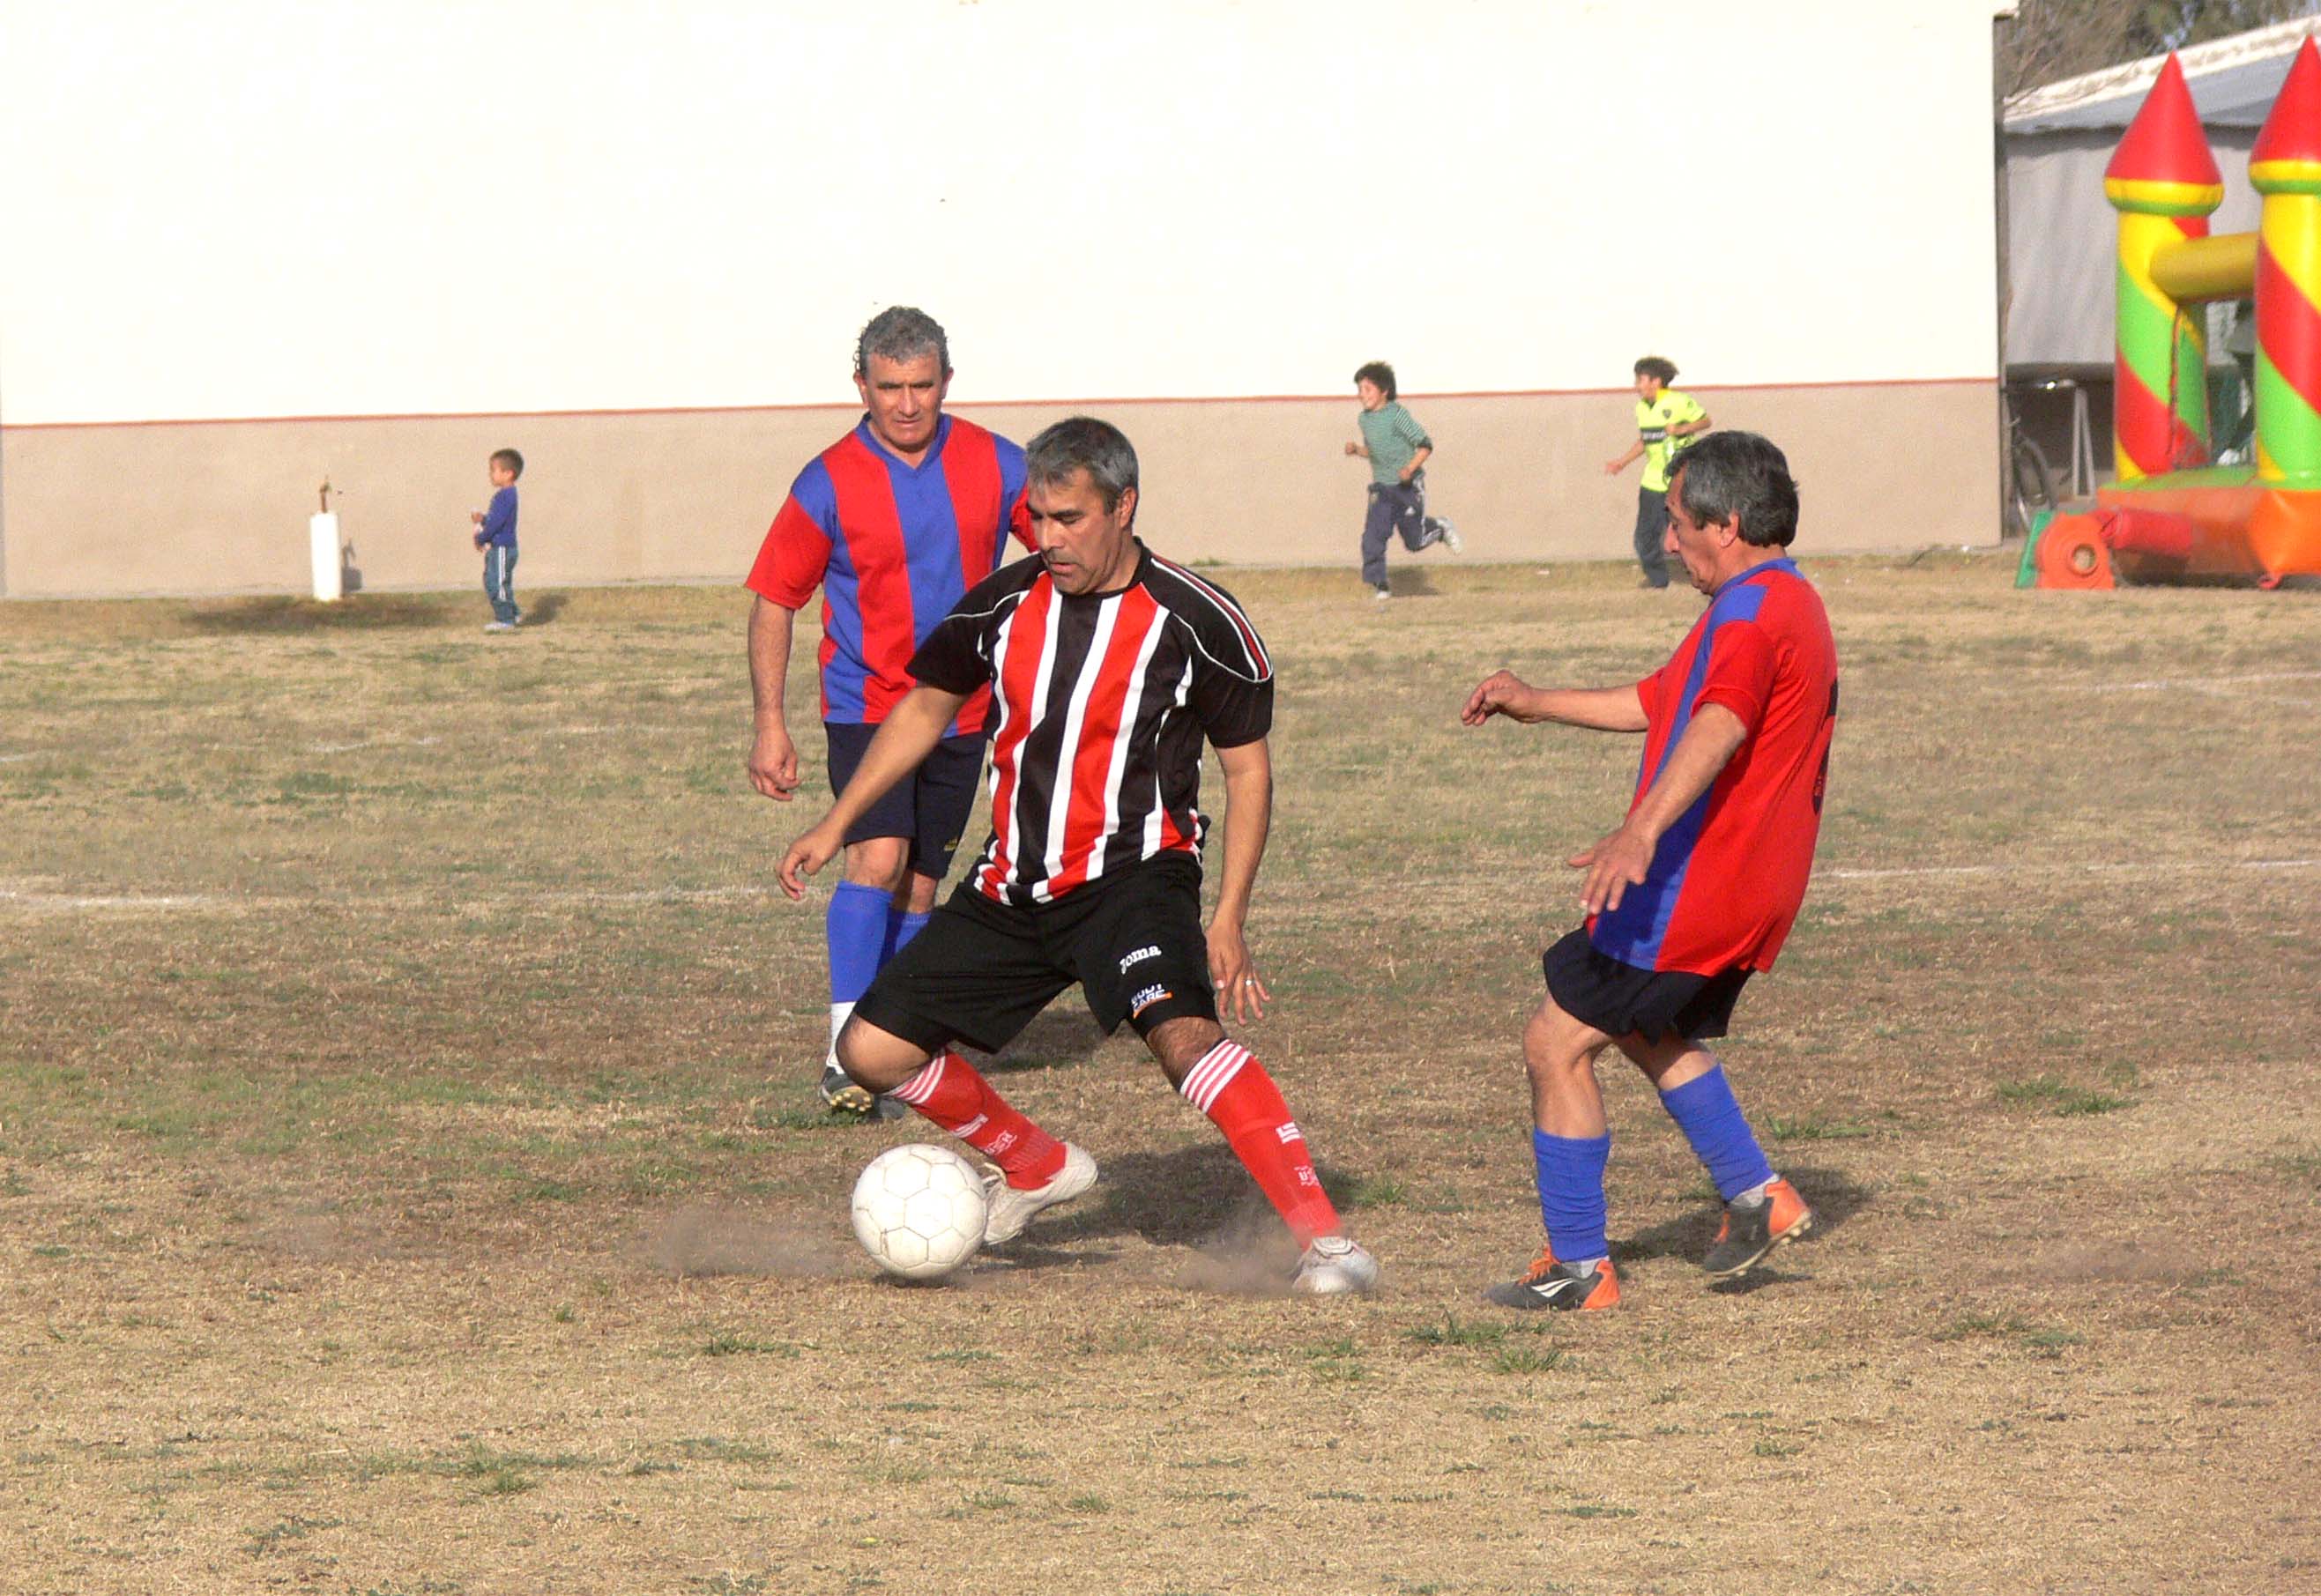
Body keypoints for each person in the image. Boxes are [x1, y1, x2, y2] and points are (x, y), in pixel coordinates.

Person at [779, 417, 1380, 1294]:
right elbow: (922, 707)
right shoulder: (1001, 603)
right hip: (1012, 886)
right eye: (1037, 518)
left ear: (1122, 506)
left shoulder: (1197, 620)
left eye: (1068, 518)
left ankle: (1328, 1245)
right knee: (868, 1051)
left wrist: (1229, 915)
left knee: (1182, 1038)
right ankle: (1032, 1164)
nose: (1047, 537)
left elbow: (1246, 770)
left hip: (1133, 880)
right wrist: (838, 822)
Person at [1462, 431, 1835, 1310]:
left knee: (1553, 1041)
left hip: (1692, 883)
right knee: (1639, 1026)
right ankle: (1755, 1192)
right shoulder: (1775, 600)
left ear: (1726, 522)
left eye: (1676, 524)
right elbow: (1656, 701)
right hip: (1733, 882)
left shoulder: (1749, 615)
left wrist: (1638, 830)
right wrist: (1533, 701)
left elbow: (1719, 723)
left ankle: (1579, 1267)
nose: (1667, 542)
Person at [745, 307, 1033, 1118]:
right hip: (865, 704)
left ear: (946, 381)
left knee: (919, 884)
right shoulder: (826, 480)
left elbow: (1062, 548)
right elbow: (775, 599)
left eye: (922, 386)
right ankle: (845, 1056)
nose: (906, 404)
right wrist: (771, 722)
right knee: (875, 858)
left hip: (966, 710)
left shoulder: (998, 463)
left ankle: (898, 1044)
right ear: (860, 386)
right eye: (889, 387)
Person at [1343, 360, 1460, 601]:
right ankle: (1380, 583)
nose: (1361, 395)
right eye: (1359, 390)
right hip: (1382, 489)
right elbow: (1377, 453)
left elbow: (1425, 445)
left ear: (1384, 390)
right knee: (1373, 536)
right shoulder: (1364, 420)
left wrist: (1410, 468)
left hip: (1407, 487)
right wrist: (1357, 450)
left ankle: (1440, 528)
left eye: (1367, 389)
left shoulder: (1398, 415)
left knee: (1414, 541)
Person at [1603, 356, 1711, 589]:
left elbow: (1705, 421)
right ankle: (1658, 579)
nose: (1636, 385)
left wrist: (1681, 429)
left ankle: (1705, 573)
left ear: (1655, 381)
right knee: (1644, 537)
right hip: (1653, 482)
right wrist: (1622, 462)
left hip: (1680, 481)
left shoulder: (1679, 402)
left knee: (1691, 531)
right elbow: (1646, 440)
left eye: (1640, 380)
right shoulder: (1642, 408)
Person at [472, 449, 524, 631]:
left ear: (508, 473)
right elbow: (496, 520)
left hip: (502, 547)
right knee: (496, 580)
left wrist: (481, 537)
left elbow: (496, 524)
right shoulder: (504, 495)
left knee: (497, 582)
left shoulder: (506, 496)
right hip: (500, 546)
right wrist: (483, 519)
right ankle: (513, 614)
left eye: (494, 470)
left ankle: (505, 620)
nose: (490, 475)